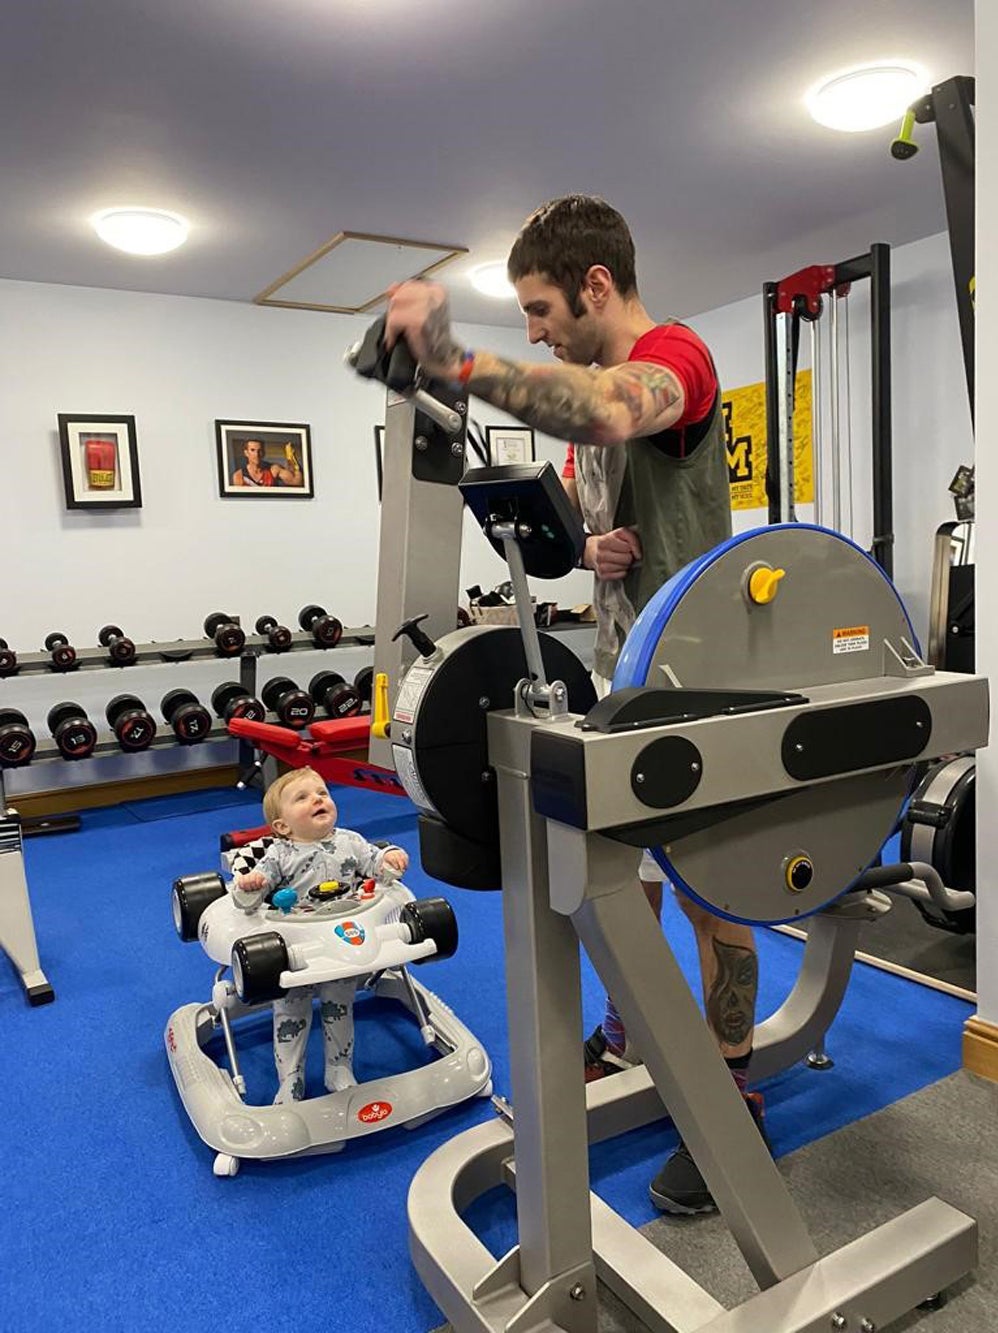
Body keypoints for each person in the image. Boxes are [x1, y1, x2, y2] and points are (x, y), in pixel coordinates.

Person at [381, 194, 764, 1215]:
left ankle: (732, 1089)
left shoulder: (675, 359)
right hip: (617, 673)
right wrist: (588, 549)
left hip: (700, 683)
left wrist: (453, 360)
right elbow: (584, 509)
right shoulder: (592, 409)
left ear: (598, 285)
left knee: (705, 890)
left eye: (543, 309)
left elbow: (607, 409)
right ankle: (633, 1028)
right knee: (615, 871)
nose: (535, 331)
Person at [231, 766, 409, 1103]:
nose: (317, 799)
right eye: (303, 798)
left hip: (340, 940)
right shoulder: (278, 855)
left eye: (323, 793)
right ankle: (291, 1078)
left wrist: (391, 858)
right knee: (290, 1012)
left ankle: (338, 1068)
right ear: (282, 826)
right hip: (297, 948)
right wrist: (250, 885)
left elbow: (377, 866)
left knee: (339, 1005)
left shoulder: (350, 841)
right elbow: (247, 901)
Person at [231, 437, 303, 488]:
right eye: (252, 450)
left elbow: (297, 482)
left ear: (264, 452)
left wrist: (293, 459)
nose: (257, 454)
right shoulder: (239, 476)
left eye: (260, 450)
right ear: (246, 453)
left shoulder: (273, 469)